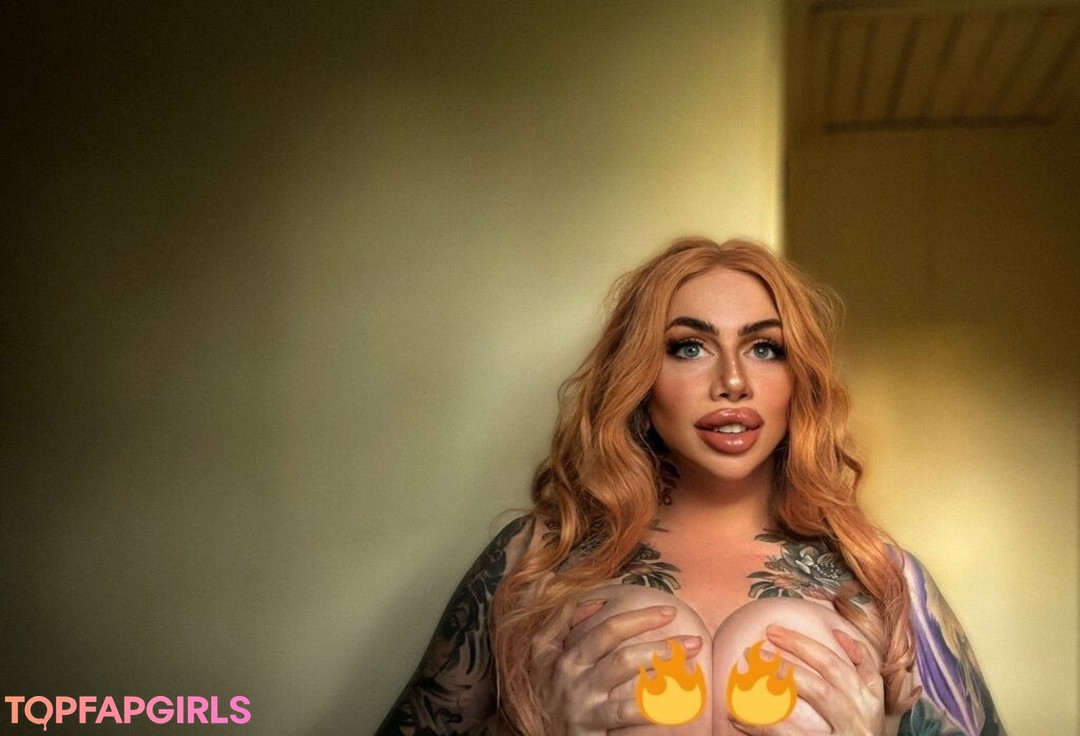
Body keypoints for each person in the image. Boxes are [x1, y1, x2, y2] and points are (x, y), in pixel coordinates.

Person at [377, 238, 1004, 735]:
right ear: (637, 379)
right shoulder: (535, 558)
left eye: (765, 349)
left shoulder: (881, 578)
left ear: (800, 381)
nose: (732, 381)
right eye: (688, 348)